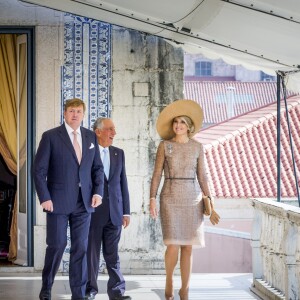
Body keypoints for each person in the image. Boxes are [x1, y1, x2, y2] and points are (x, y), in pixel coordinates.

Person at [33, 98, 104, 300]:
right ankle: (47, 286)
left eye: (79, 111)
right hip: (57, 202)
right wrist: (45, 197)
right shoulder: (50, 137)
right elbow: (38, 171)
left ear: (83, 114)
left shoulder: (91, 137)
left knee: (80, 248)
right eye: (71, 111)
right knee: (57, 244)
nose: (75, 114)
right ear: (65, 113)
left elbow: (97, 168)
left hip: (85, 202)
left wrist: (98, 192)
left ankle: (78, 294)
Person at [149, 99, 219, 300]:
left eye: (182, 122)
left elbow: (203, 176)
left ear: (189, 126)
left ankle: (185, 290)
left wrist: (210, 202)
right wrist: (152, 198)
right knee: (172, 244)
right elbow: (156, 175)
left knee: (188, 246)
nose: (178, 125)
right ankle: (169, 280)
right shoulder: (165, 145)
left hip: (192, 198)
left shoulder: (198, 147)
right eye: (175, 122)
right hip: (169, 197)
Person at [86, 117, 131, 300]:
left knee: (113, 255)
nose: (114, 133)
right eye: (110, 129)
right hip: (92, 214)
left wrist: (126, 211)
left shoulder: (118, 153)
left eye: (114, 129)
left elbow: (123, 183)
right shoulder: (87, 153)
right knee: (91, 256)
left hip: (115, 213)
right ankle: (90, 291)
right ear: (98, 132)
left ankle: (117, 292)